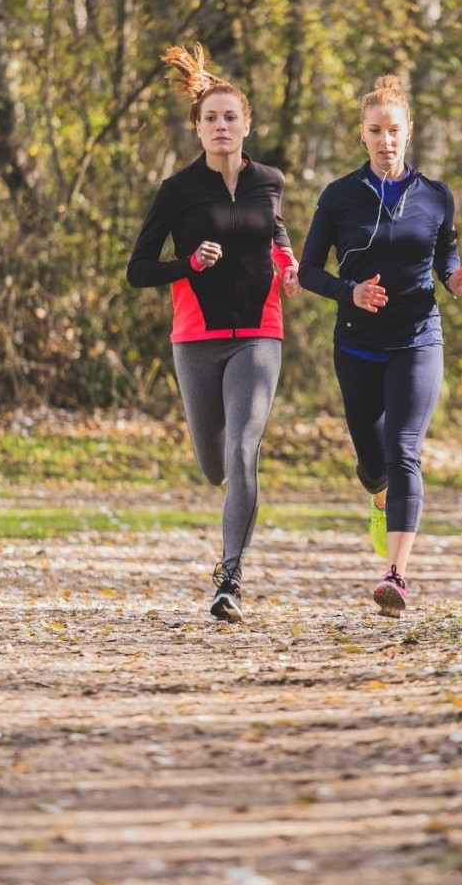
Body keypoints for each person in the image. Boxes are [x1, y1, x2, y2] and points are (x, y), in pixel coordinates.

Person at [298, 74, 462, 617]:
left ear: (409, 133)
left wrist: (455, 281)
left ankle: (396, 574)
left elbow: (445, 258)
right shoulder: (338, 197)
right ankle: (379, 498)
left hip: (417, 340)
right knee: (372, 462)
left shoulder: (436, 196)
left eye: (394, 130)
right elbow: (309, 271)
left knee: (405, 451)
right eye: (375, 131)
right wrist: (347, 291)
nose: (386, 140)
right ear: (363, 136)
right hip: (356, 344)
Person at [127, 44, 300, 623]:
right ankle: (230, 503)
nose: (221, 126)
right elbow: (138, 270)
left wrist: (290, 265)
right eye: (211, 118)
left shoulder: (269, 180)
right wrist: (189, 267)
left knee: (242, 446)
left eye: (231, 117)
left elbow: (276, 235)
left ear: (246, 125)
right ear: (198, 129)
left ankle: (230, 576)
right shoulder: (177, 191)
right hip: (195, 337)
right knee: (213, 463)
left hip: (259, 332)